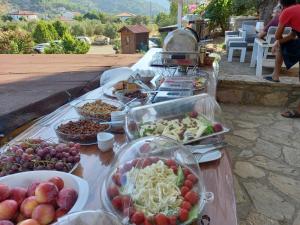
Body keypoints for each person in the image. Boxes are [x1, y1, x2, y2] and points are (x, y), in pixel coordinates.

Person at [264, 0, 300, 118]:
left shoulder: (287, 11)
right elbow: (292, 36)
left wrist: (278, 40)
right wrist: (279, 42)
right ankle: (275, 75)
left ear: (281, 3)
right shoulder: (297, 9)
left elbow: (277, 35)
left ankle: (299, 111)